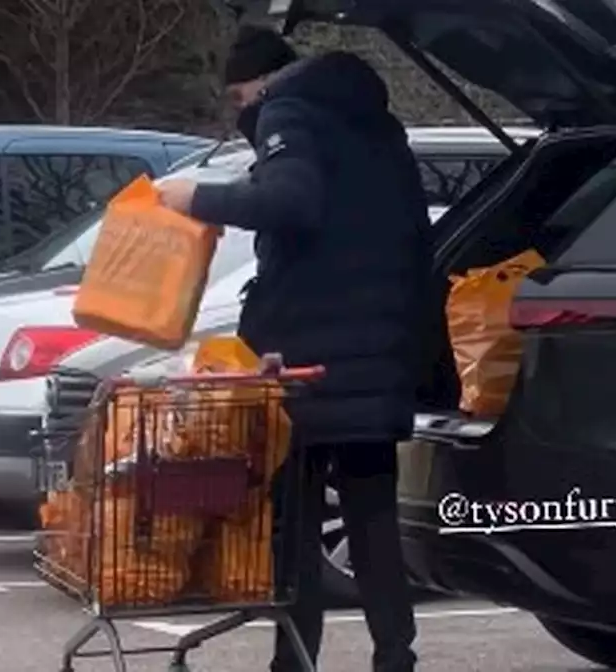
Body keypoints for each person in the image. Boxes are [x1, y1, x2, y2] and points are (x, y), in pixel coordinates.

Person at [156, 24, 450, 672]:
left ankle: (292, 664)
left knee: (293, 528)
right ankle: (395, 659)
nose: (240, 117)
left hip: (311, 368)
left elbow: (291, 202)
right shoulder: (374, 125)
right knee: (373, 521)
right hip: (379, 353)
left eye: (238, 100)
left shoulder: (287, 110)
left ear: (259, 83)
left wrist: (196, 198)